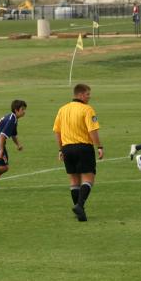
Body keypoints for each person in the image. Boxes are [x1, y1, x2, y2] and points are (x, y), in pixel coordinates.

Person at [53, 84, 103, 222]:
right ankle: (80, 205)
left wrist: (60, 149)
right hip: (83, 148)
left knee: (74, 181)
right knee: (88, 179)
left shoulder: (62, 109)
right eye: (87, 94)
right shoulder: (87, 109)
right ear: (80, 95)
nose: (89, 96)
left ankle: (79, 212)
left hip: (67, 149)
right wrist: (99, 146)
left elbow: (57, 131)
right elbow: (92, 130)